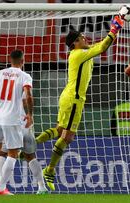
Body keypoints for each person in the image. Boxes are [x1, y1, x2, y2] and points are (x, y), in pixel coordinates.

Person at [34, 16, 124, 191]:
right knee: (67, 136)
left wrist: (115, 27)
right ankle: (49, 169)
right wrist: (115, 28)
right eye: (82, 37)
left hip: (70, 98)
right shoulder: (78, 54)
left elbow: (100, 46)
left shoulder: (81, 52)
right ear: (75, 43)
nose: (86, 39)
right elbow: (103, 46)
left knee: (60, 131)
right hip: (74, 99)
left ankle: (33, 144)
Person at [0, 49, 33, 195]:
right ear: (23, 61)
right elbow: (28, 96)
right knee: (13, 153)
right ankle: (1, 187)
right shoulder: (25, 76)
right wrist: (29, 114)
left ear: (9, 60)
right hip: (11, 118)